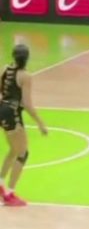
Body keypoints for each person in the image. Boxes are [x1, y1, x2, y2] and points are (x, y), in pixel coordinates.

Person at [0, 44, 48, 207]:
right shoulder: (25, 76)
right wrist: (40, 123)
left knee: (13, 150)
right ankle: (10, 194)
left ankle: (1, 185)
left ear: (13, 56)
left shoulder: (5, 69)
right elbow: (27, 104)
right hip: (12, 114)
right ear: (27, 58)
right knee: (22, 153)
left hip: (2, 110)